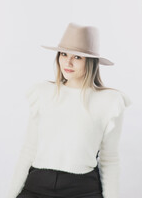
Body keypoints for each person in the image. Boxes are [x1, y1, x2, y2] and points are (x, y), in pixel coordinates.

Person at [7, 23, 132, 198]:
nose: (68, 62)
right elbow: (28, 150)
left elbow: (109, 160)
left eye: (78, 57)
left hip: (83, 190)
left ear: (90, 61)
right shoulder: (42, 93)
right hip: (36, 186)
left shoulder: (109, 102)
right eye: (64, 54)